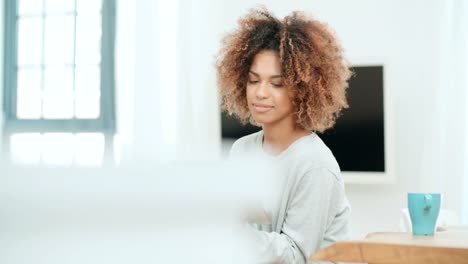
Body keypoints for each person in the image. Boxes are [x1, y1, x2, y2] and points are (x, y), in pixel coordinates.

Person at [216, 7, 352, 264]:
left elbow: (295, 255)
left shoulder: (315, 165)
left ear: (302, 89)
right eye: (254, 80)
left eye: (276, 84)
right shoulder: (242, 150)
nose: (261, 93)